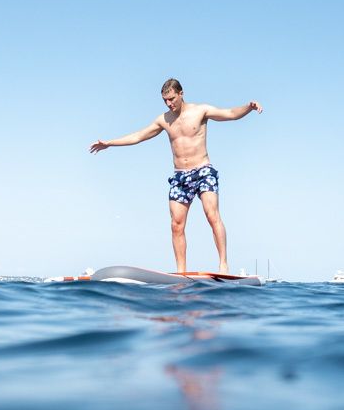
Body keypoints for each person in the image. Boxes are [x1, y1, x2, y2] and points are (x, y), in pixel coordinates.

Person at [89, 78, 262, 274]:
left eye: (171, 99)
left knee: (211, 214)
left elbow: (229, 114)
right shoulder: (164, 120)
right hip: (180, 176)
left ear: (181, 94)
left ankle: (223, 264)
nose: (169, 103)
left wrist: (248, 107)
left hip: (203, 170)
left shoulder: (200, 111)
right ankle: (181, 272)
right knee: (176, 225)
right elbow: (138, 136)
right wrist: (110, 143)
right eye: (165, 100)